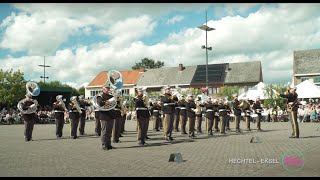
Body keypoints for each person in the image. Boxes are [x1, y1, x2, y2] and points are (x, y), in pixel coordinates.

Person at [97, 83, 116, 150]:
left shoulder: (111, 96)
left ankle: (109, 144)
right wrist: (109, 101)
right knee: (105, 131)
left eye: (109, 88)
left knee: (109, 131)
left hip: (111, 115)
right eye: (107, 89)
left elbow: (114, 104)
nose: (108, 90)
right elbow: (100, 103)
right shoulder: (100, 96)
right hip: (104, 115)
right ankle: (104, 145)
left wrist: (115, 98)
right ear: (103, 89)